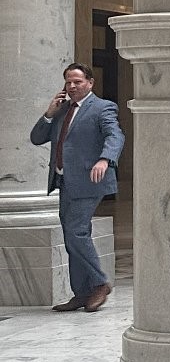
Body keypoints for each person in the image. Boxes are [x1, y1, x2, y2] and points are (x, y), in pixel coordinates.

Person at [31, 62, 123, 314]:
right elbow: (37, 138)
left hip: (90, 180)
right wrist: (49, 113)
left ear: (90, 83)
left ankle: (99, 283)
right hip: (65, 182)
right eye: (68, 82)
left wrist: (105, 159)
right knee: (72, 237)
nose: (72, 87)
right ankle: (81, 293)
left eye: (77, 82)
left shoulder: (103, 107)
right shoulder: (62, 110)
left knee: (76, 233)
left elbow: (115, 135)